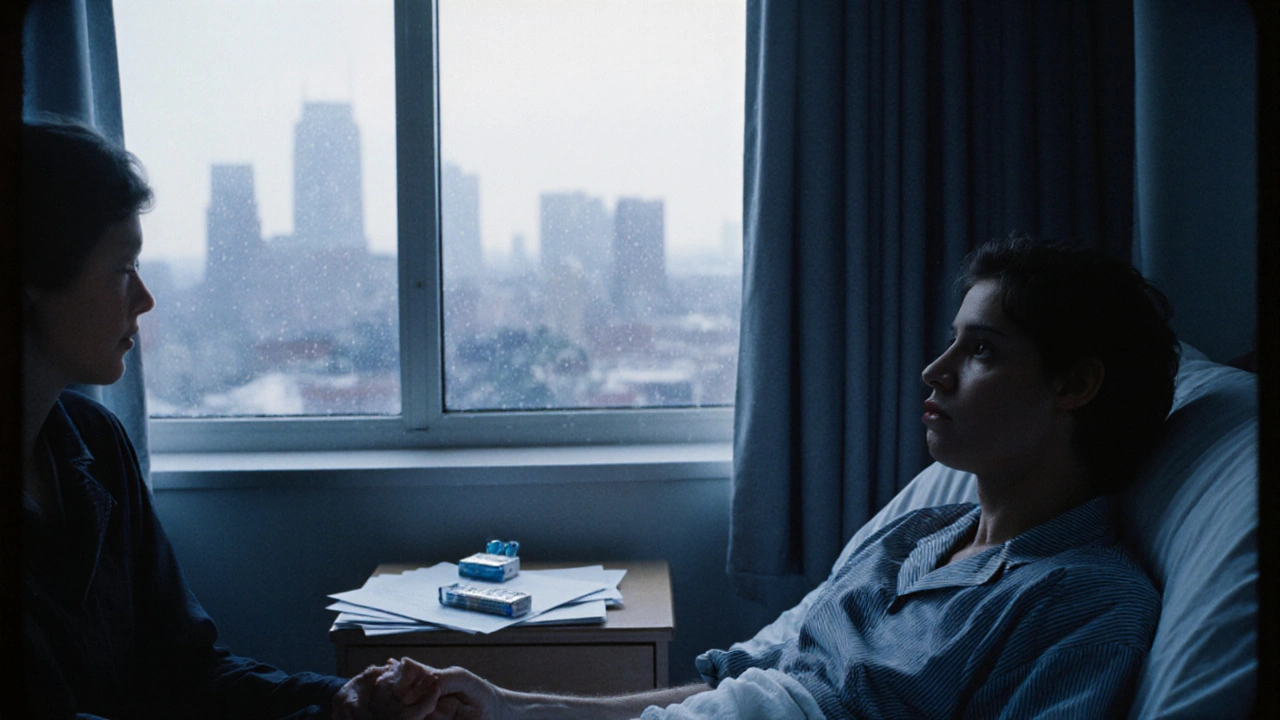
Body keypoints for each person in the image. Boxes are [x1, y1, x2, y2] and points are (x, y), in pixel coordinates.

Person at [358, 237, 1180, 719]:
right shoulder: (913, 537)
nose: (934, 372)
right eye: (952, 342)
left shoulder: (1088, 606)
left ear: (1075, 385)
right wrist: (508, 706)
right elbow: (737, 683)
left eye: (982, 352)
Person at [19, 118, 416, 720]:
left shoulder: (96, 446)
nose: (145, 299)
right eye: (123, 268)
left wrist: (338, 700)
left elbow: (188, 668)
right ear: (28, 285)